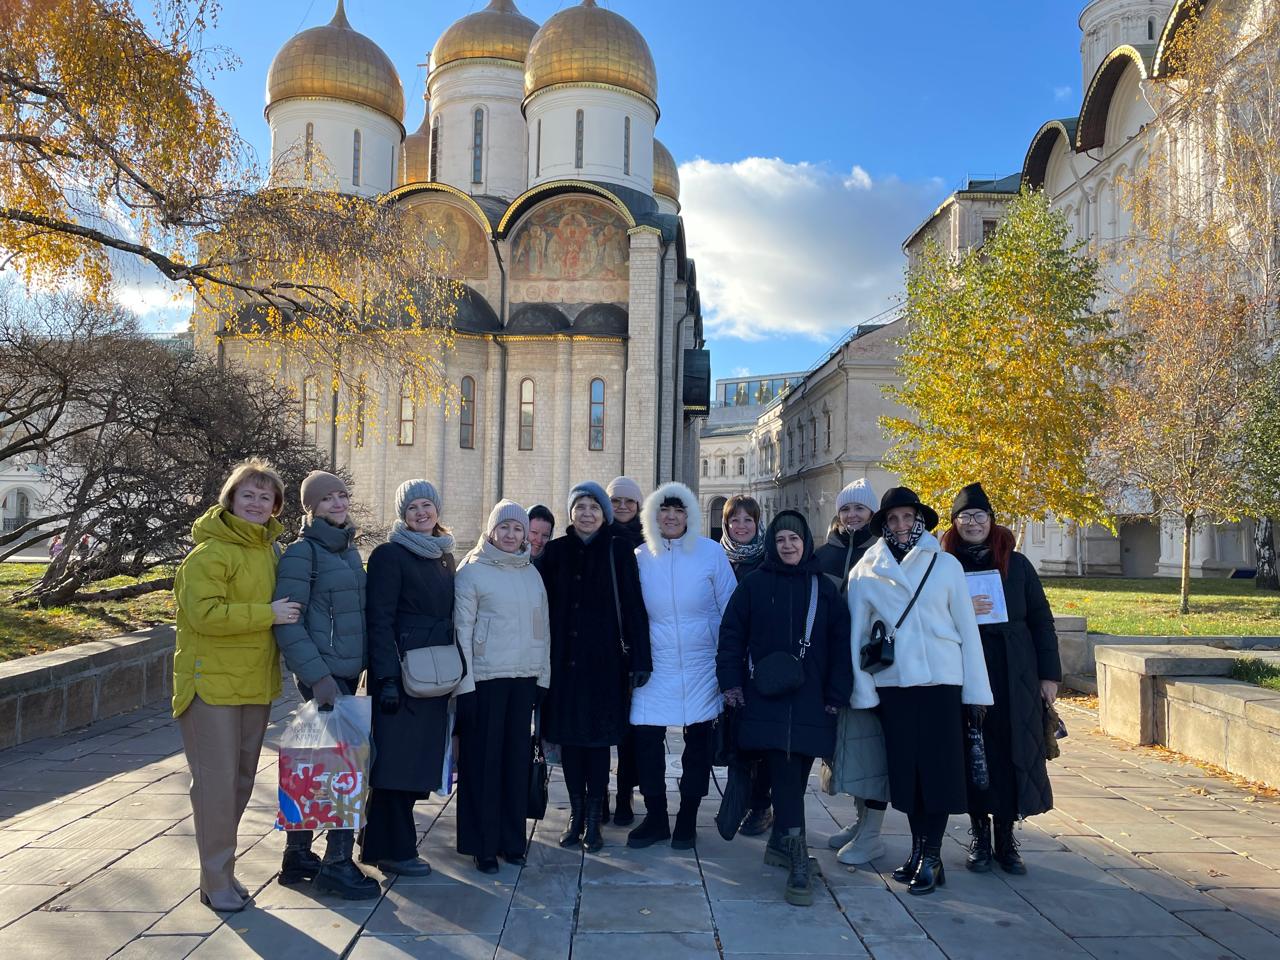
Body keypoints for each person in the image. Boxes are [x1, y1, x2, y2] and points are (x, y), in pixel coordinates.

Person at [848, 487, 993, 896]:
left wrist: (976, 691)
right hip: (894, 685)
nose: (899, 525)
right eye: (892, 519)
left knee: (940, 773)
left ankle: (932, 857)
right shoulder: (866, 570)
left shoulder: (944, 565)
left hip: (941, 682)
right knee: (907, 775)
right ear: (884, 524)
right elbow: (858, 636)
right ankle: (916, 851)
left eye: (906, 518)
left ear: (919, 520)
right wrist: (864, 690)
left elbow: (967, 629)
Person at [173, 459, 299, 912]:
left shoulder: (271, 552)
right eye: (248, 494)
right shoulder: (209, 553)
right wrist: (268, 613)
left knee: (242, 781)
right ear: (230, 498)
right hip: (210, 687)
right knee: (215, 785)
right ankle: (214, 881)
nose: (256, 502)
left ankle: (220, 873)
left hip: (253, 684)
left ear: (276, 506)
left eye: (266, 497)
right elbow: (204, 614)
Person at [717, 511, 854, 907]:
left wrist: (837, 694)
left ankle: (780, 843)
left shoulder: (824, 589)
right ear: (772, 545)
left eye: (794, 539)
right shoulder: (755, 585)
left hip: (812, 702)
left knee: (795, 777)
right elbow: (731, 636)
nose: (788, 546)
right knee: (785, 774)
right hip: (767, 699)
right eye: (781, 540)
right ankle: (797, 859)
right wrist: (731, 685)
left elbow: (841, 644)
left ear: (805, 543)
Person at [941, 483, 1061, 876]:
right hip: (967, 671)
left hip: (1015, 672)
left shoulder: (1017, 563)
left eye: (979, 516)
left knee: (1012, 752)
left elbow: (1042, 621)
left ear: (991, 521)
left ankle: (1007, 839)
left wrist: (1049, 676)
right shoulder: (944, 566)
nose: (972, 523)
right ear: (955, 524)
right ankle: (979, 836)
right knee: (975, 751)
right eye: (964, 517)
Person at [272, 471, 377, 899]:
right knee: (345, 769)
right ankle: (336, 862)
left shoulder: (348, 551)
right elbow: (289, 624)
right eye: (327, 498)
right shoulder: (302, 553)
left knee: (315, 765)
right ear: (310, 507)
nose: (337, 503)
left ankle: (297, 857)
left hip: (346, 674)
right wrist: (318, 678)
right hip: (324, 677)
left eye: (342, 495)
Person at [538, 481, 651, 853]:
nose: (587, 514)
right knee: (570, 742)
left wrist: (640, 659)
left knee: (599, 742)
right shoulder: (555, 553)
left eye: (594, 507)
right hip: (563, 665)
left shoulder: (619, 551)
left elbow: (634, 607)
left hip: (604, 665)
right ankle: (575, 813)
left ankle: (593, 819)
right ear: (571, 512)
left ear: (604, 514)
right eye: (580, 507)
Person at [628, 483, 737, 850]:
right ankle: (656, 815)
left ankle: (687, 817)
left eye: (678, 510)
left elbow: (731, 609)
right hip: (654, 664)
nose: (671, 516)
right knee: (646, 739)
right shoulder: (641, 557)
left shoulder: (710, 554)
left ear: (689, 515)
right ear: (653, 516)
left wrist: (729, 661)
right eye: (664, 510)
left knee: (699, 743)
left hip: (701, 662)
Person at [359, 480, 455, 877]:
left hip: (435, 674)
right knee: (395, 767)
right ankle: (393, 850)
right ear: (402, 514)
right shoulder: (389, 555)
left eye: (426, 505)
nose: (420, 512)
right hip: (402, 673)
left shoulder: (443, 556)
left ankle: (375, 839)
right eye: (412, 507)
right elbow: (379, 620)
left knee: (416, 765)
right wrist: (385, 679)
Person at [454, 500, 551, 874]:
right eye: (504, 528)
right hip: (485, 680)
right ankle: (482, 843)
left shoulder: (531, 574)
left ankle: (512, 840)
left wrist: (543, 677)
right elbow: (461, 631)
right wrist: (465, 687)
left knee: (514, 763)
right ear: (491, 531)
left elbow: (543, 631)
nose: (511, 536)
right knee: (482, 765)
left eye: (518, 529)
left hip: (523, 679)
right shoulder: (472, 572)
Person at [815, 480, 891, 867]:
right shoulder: (824, 555)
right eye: (846, 509)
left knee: (871, 750)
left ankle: (873, 833)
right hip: (834, 670)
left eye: (860, 509)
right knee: (844, 750)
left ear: (873, 514)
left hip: (870, 670)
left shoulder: (881, 556)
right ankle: (861, 822)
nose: (852, 516)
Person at [718, 494, 772, 836]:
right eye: (734, 521)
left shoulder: (767, 559)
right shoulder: (715, 558)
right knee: (733, 736)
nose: (741, 527)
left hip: (758, 663)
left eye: (747, 521)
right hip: (726, 659)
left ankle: (761, 805)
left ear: (757, 524)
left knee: (761, 739)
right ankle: (739, 801)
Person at [606, 475, 645, 826]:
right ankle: (597, 794)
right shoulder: (598, 539)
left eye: (628, 502)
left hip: (631, 644)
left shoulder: (648, 542)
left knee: (631, 729)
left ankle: (624, 794)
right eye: (615, 501)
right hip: (602, 647)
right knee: (602, 723)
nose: (621, 507)